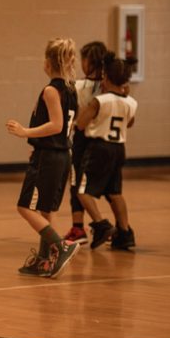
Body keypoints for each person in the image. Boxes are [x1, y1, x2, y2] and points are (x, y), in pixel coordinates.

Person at [6, 38, 79, 279]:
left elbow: (56, 125)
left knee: (25, 207)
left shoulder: (51, 90)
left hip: (49, 157)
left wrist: (26, 132)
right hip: (61, 155)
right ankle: (44, 261)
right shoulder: (71, 88)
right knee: (46, 210)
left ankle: (61, 246)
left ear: (48, 63)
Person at [76, 52, 138, 251]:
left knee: (83, 191)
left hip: (99, 148)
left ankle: (101, 225)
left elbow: (80, 124)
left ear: (106, 77)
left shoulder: (99, 101)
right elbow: (129, 124)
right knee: (115, 192)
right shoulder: (131, 102)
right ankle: (125, 232)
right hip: (119, 148)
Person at [63, 40, 108, 245]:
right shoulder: (111, 87)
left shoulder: (77, 86)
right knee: (110, 189)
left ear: (88, 61)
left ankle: (80, 227)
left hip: (82, 141)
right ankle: (123, 228)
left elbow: (72, 118)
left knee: (76, 184)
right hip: (105, 141)